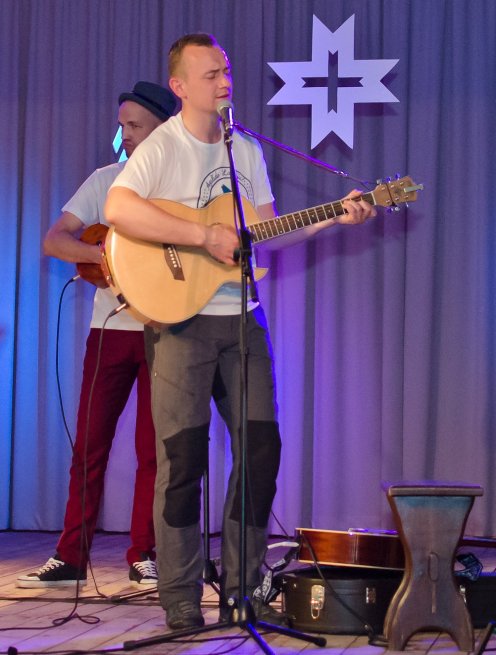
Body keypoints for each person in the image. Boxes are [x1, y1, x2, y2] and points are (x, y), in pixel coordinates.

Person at [104, 33, 376, 630]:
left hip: (242, 317)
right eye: (210, 74)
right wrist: (202, 235)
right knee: (182, 463)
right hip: (181, 324)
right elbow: (117, 209)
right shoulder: (164, 146)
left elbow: (266, 231)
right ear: (179, 86)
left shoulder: (243, 150)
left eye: (226, 71)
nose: (224, 82)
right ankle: (180, 599)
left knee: (260, 451)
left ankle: (242, 588)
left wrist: (335, 215)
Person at [18, 82, 177, 589]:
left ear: (163, 129)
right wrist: (105, 256)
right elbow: (55, 240)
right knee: (88, 446)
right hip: (108, 331)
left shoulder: (183, 188)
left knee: (154, 451)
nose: (125, 134)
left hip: (167, 333)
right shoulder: (105, 180)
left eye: (135, 125)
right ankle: (70, 557)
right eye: (122, 124)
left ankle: (143, 554)